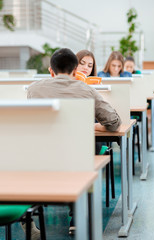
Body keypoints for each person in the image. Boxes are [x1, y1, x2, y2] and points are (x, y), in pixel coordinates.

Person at [27, 48, 121, 235]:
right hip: (78, 159)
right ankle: (78, 217)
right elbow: (114, 122)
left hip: (41, 159)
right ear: (74, 71)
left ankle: (29, 216)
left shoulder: (33, 89)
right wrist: (89, 125)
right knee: (89, 150)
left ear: (51, 71)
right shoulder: (86, 90)